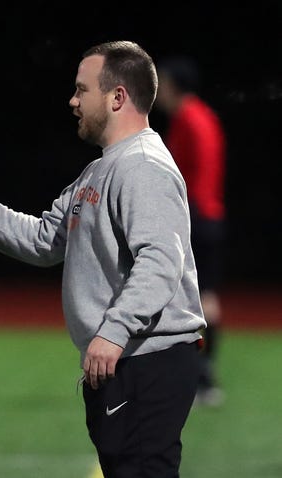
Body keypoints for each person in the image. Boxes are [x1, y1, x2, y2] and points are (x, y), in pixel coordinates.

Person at [0, 40, 206, 478]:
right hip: (125, 360)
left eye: (82, 90)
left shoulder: (141, 166)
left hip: (145, 360)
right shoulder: (104, 167)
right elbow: (44, 240)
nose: (72, 100)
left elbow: (161, 260)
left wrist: (115, 330)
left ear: (117, 96)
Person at [154, 55, 227, 407]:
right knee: (204, 298)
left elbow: (178, 173)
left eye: (163, 83)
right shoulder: (205, 115)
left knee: (186, 299)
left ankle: (198, 376)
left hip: (194, 215)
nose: (159, 91)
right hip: (210, 213)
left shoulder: (186, 119)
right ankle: (204, 375)